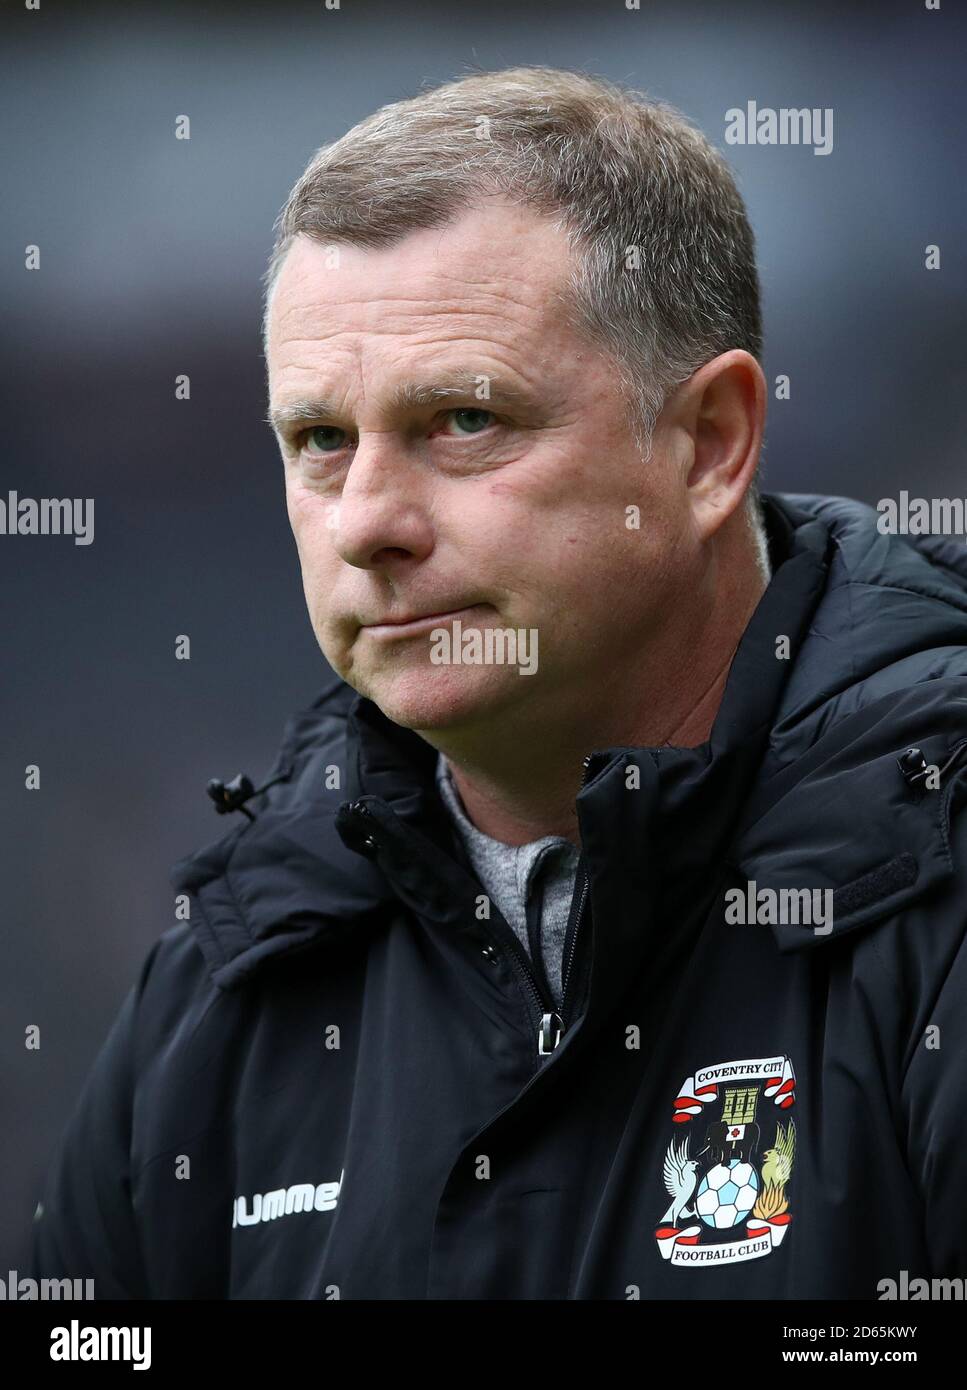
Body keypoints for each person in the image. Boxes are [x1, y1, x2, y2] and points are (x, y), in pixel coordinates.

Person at [31, 66, 967, 1300]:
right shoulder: (236, 966)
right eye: (319, 440)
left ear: (708, 446)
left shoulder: (932, 868)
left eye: (463, 421)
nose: (366, 523)